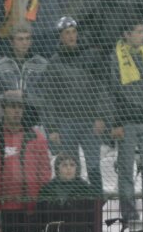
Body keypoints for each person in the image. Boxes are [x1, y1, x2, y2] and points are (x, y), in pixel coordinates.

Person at [42, 17, 109, 191]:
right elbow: (49, 98)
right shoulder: (54, 63)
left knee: (94, 166)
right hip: (66, 123)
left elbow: (102, 87)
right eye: (67, 33)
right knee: (71, 166)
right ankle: (76, 206)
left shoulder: (91, 57)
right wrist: (52, 128)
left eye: (74, 32)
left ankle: (97, 206)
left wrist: (101, 116)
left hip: (89, 121)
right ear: (60, 37)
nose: (71, 36)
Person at [0, 90, 51, 232]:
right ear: (3, 108)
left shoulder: (36, 136)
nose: (17, 111)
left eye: (20, 107)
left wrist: (40, 198)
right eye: (12, 106)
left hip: (28, 209)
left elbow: (44, 171)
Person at [110, 21, 143, 221]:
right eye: (139, 32)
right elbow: (111, 91)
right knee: (126, 168)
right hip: (127, 122)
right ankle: (130, 215)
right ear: (127, 33)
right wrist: (115, 123)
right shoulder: (115, 58)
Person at [0, 25, 48, 128]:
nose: (24, 43)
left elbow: (47, 97)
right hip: (7, 121)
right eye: (20, 39)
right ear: (12, 42)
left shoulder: (42, 64)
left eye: (27, 39)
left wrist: (24, 95)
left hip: (35, 119)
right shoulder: (0, 66)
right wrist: (7, 96)